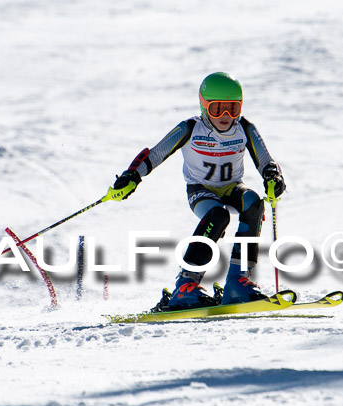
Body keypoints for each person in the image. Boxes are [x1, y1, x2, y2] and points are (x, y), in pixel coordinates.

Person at [111, 72, 286, 309]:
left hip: (233, 187)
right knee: (218, 215)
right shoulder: (191, 128)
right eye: (217, 109)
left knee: (254, 202)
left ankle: (238, 281)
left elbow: (266, 160)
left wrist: (273, 177)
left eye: (232, 109)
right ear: (204, 107)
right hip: (201, 190)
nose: (225, 116)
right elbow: (155, 154)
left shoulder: (244, 128)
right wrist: (132, 176)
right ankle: (186, 285)